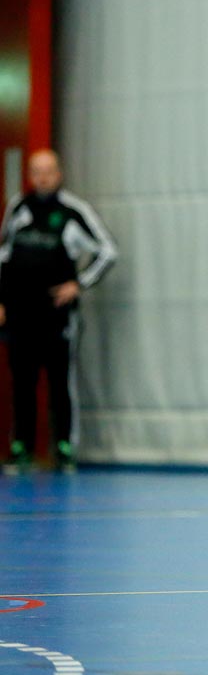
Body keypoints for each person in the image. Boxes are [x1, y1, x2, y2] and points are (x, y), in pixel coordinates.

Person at [0, 149, 119, 471]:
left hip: (56, 316)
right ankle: (21, 446)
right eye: (36, 171)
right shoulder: (19, 208)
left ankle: (65, 446)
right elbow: (5, 255)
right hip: (21, 312)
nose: (42, 177)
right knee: (22, 382)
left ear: (59, 173)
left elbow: (108, 251)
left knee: (59, 382)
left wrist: (78, 283)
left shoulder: (73, 212)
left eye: (48, 171)